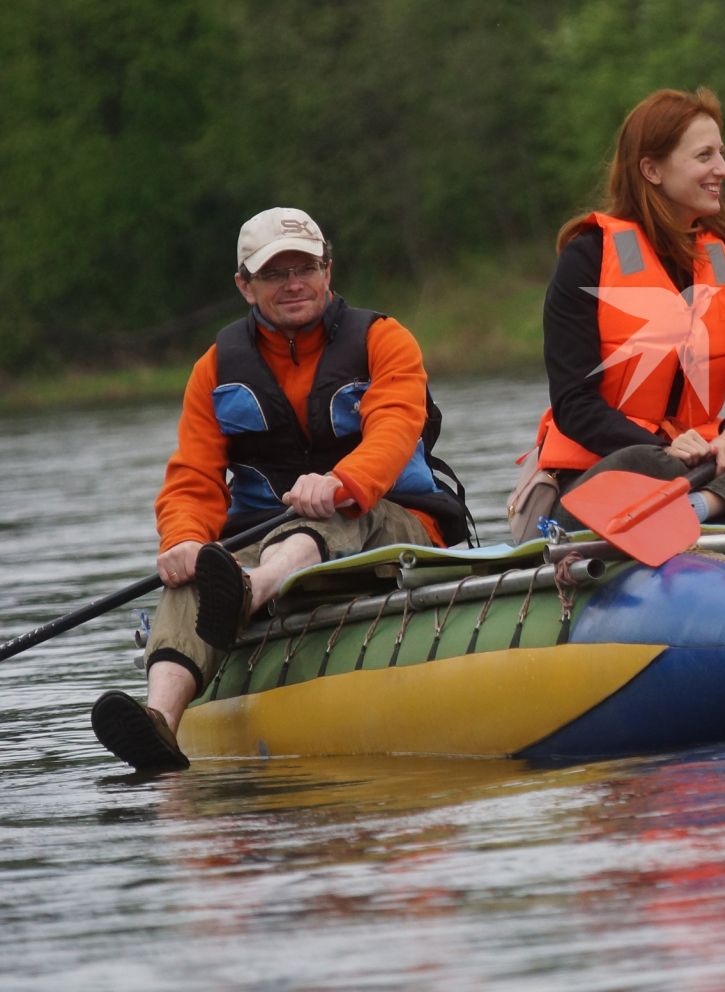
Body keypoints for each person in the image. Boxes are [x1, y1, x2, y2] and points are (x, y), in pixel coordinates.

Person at [92, 208, 472, 773]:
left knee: (330, 511)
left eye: (305, 268)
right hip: (268, 540)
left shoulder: (384, 340)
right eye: (274, 274)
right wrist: (183, 541)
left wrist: (343, 482)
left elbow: (393, 430)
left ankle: (251, 590)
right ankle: (160, 722)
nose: (294, 283)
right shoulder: (215, 368)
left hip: (391, 523)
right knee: (196, 569)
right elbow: (194, 477)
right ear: (245, 286)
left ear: (327, 271)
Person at [526, 87, 725, 537]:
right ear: (652, 169)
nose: (723, 169)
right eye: (705, 157)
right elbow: (574, 406)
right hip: (610, 474)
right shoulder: (587, 257)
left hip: (703, 471)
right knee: (644, 462)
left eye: (721, 153)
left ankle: (707, 508)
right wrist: (664, 446)